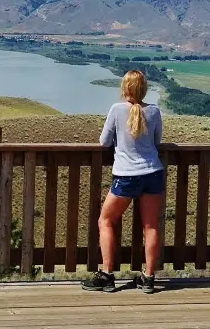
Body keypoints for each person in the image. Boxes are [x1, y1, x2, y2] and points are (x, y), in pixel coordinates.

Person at [81, 69, 164, 294]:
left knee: (105, 221)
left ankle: (107, 275)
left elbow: (103, 142)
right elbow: (157, 141)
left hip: (127, 176)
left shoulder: (117, 110)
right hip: (153, 173)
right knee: (151, 226)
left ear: (125, 89)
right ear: (144, 89)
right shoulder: (155, 111)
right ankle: (148, 278)